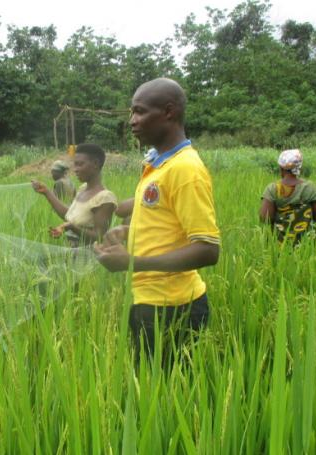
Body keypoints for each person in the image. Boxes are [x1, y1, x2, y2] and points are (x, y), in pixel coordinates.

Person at [94, 78, 220, 364]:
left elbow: (208, 249)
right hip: (146, 299)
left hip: (174, 307)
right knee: (147, 393)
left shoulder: (186, 169)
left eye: (139, 112)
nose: (132, 121)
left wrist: (131, 263)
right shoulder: (157, 163)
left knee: (165, 397)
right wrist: (128, 231)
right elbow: (164, 223)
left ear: (168, 112)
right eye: (131, 112)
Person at [31, 144, 117, 247]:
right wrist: (47, 192)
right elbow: (70, 215)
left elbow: (99, 237)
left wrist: (72, 227)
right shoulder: (83, 189)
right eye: (75, 165)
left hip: (87, 257)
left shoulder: (104, 198)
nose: (75, 169)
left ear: (95, 164)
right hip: (71, 252)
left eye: (80, 164)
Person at [259, 149, 316, 245]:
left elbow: (265, 218)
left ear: (281, 168)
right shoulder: (310, 188)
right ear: (299, 168)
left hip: (279, 244)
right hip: (308, 245)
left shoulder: (273, 189)